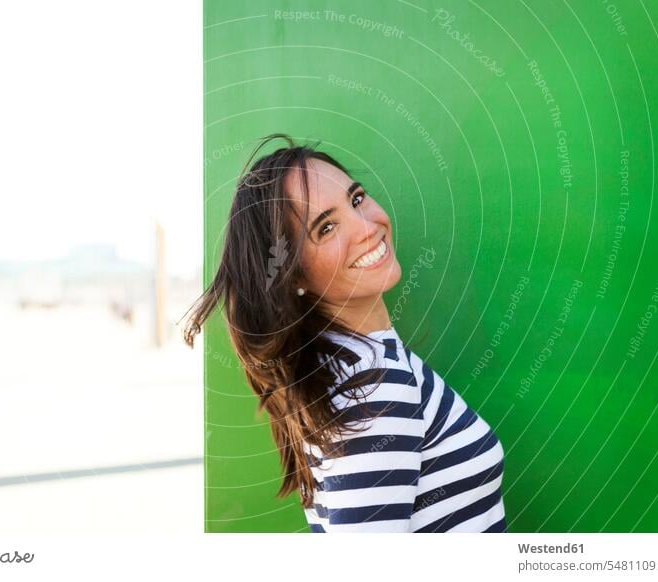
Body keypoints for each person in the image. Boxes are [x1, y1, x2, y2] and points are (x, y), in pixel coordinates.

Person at [182, 133, 507, 532]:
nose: (366, 227)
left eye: (356, 199)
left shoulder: (352, 365)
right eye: (327, 227)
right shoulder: (372, 390)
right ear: (293, 275)